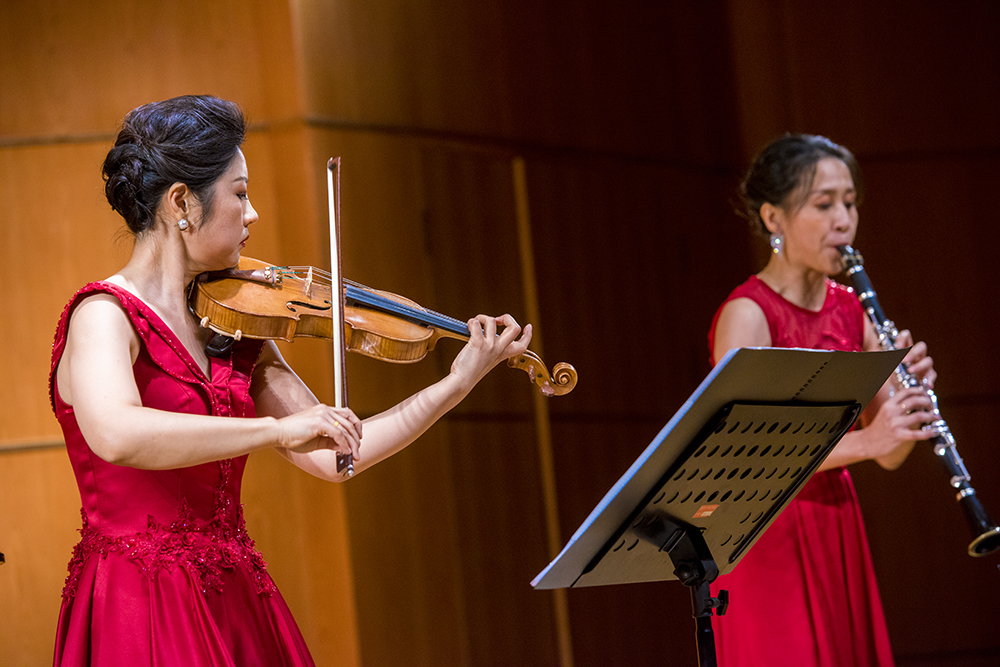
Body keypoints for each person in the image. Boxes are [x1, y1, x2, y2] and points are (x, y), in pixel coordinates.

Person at [49, 95, 533, 666]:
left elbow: (334, 456)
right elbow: (117, 434)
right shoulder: (103, 316)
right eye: (240, 193)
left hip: (236, 597)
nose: (252, 214)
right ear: (181, 203)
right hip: (138, 601)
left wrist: (456, 383)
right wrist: (276, 432)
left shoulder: (231, 322)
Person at [708, 134, 937, 667]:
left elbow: (889, 455)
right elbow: (748, 456)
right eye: (824, 204)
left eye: (850, 203)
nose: (843, 221)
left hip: (835, 520)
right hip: (764, 531)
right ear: (774, 217)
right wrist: (868, 440)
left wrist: (908, 402)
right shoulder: (747, 314)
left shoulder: (852, 310)